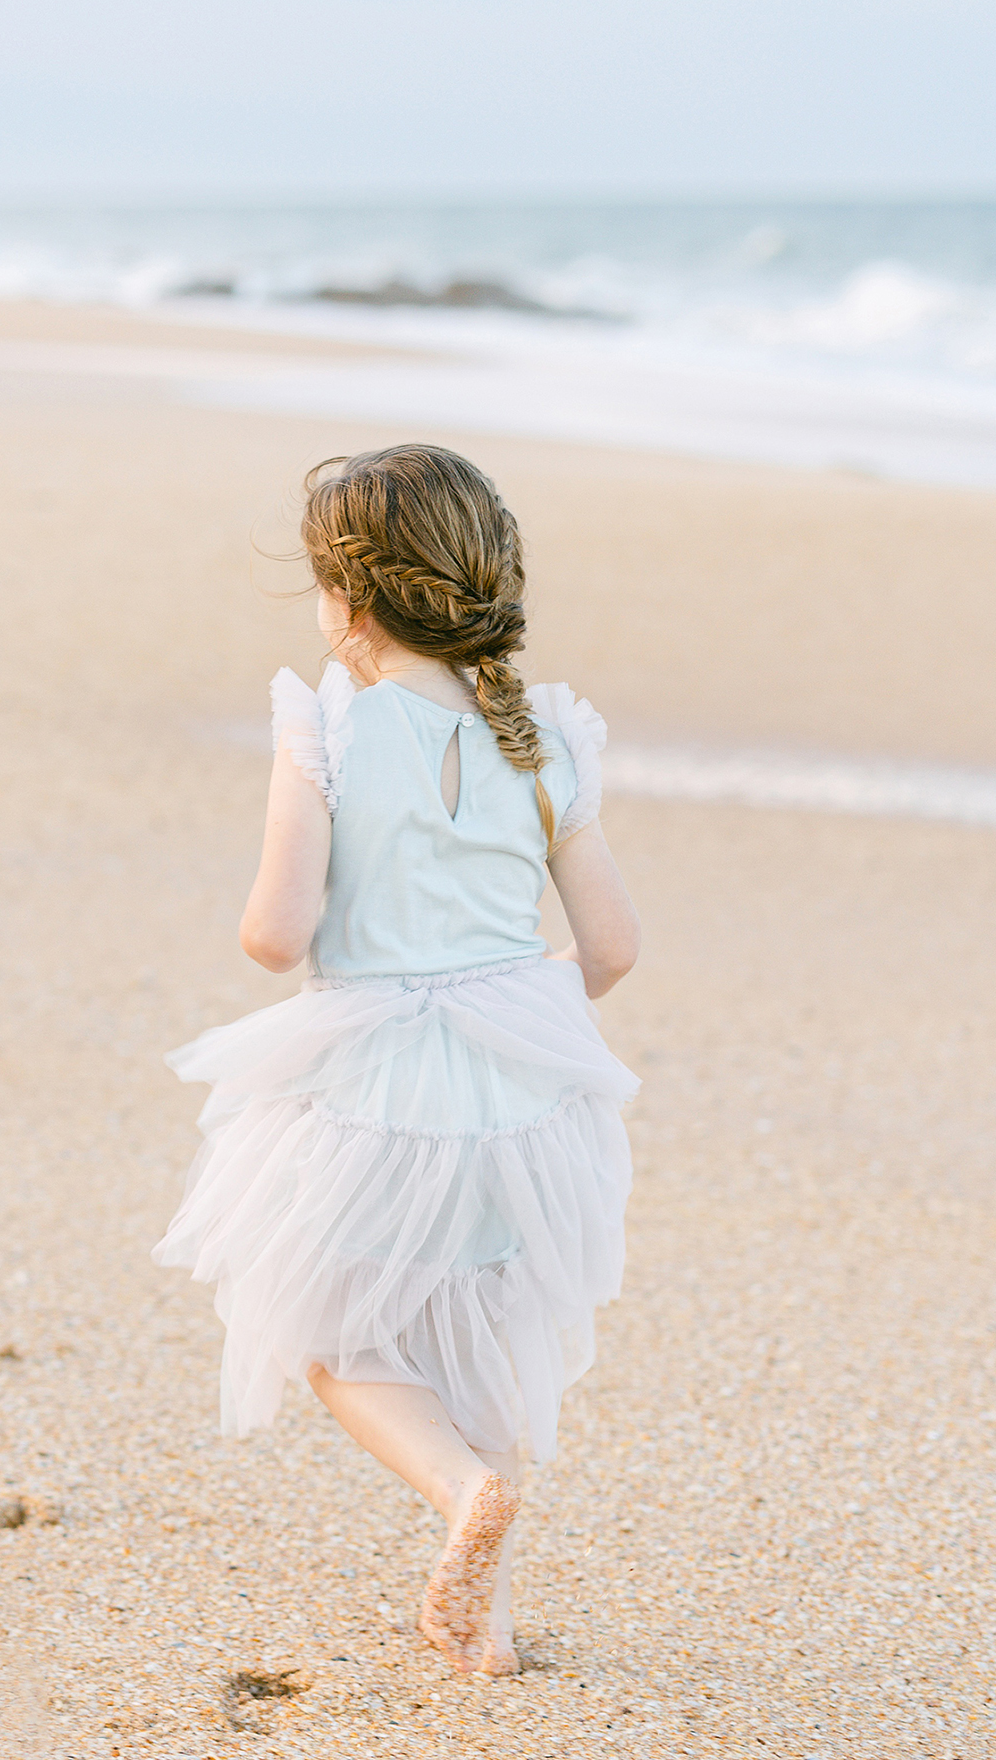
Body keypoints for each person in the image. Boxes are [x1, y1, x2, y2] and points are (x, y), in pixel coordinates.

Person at [154, 444, 640, 1677]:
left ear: (346, 600)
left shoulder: (323, 730)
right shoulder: (546, 740)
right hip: (524, 1090)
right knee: (482, 1331)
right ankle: (489, 1628)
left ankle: (460, 1486)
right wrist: (505, 1002)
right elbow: (613, 947)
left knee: (317, 1325)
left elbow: (273, 937)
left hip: (372, 1081)